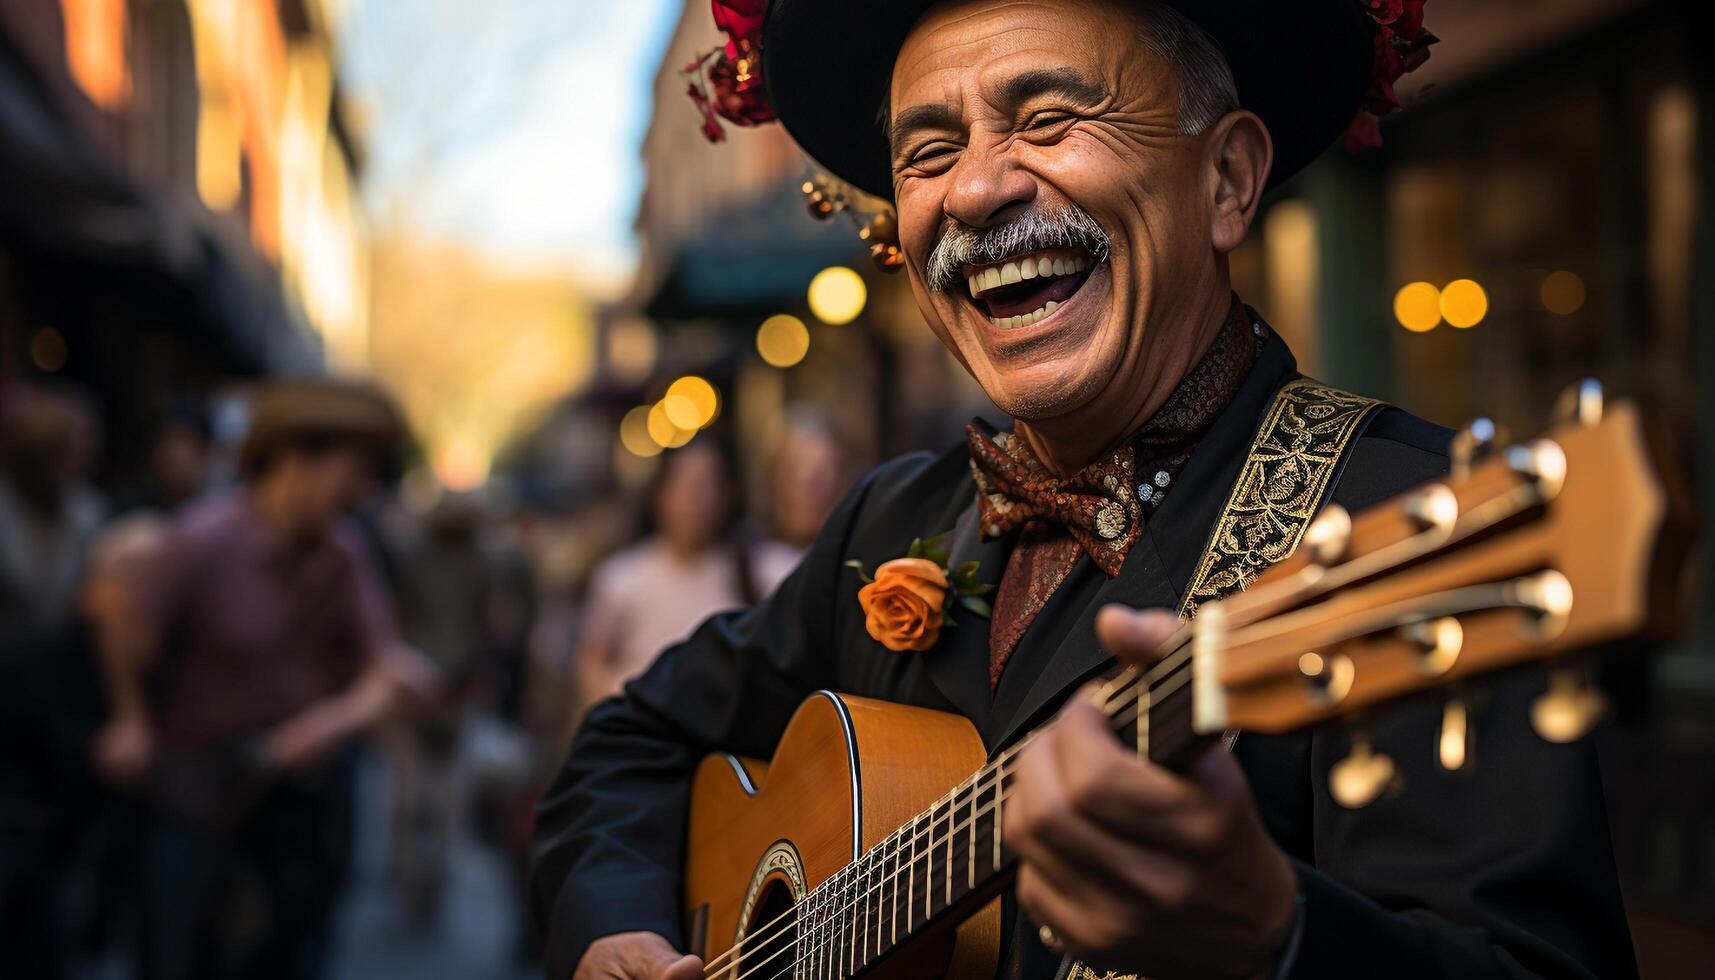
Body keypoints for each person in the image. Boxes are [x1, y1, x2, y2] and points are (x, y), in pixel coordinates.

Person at [531, 3, 1634, 980]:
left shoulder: (1408, 525)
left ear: (1226, 181)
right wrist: (610, 927)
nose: (973, 188)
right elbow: (629, 741)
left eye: (1048, 119)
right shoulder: (892, 521)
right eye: (928, 149)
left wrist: (1277, 934)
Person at [95, 378, 409, 980]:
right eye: (350, 472)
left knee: (290, 950)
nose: (361, 492)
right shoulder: (201, 540)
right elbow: (123, 627)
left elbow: (384, 670)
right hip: (195, 798)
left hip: (291, 801)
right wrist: (129, 717)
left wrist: (326, 725)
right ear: (295, 461)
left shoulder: (343, 555)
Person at [0, 515, 164, 980]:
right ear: (90, 590)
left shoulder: (171, 665)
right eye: (130, 575)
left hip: (102, 866)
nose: (143, 594)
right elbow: (95, 758)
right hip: (33, 841)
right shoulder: (37, 657)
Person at [574, 439, 799, 705]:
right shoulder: (620, 578)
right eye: (684, 483)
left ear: (727, 494)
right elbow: (592, 662)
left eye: (707, 484)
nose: (695, 499)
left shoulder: (760, 569)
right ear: (660, 492)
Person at [0, 384, 107, 632]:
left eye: (66, 454)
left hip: (60, 658)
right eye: (49, 455)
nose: (61, 469)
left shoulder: (88, 510)